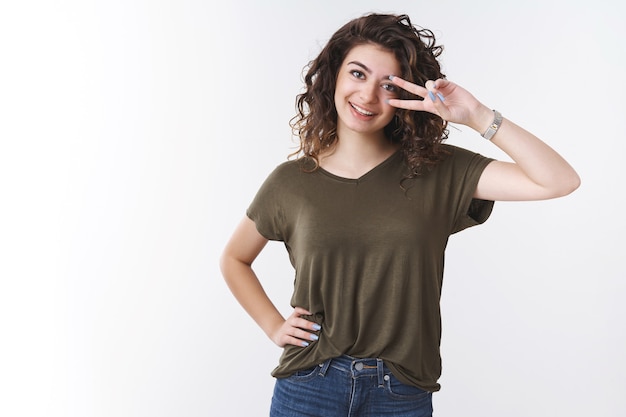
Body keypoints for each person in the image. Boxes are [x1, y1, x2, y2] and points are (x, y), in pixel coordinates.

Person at [219, 12, 580, 417]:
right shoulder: (290, 182)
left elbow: (558, 181)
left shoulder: (438, 172)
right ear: (334, 75)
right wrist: (273, 325)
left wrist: (478, 116)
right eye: (357, 74)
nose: (368, 95)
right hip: (309, 385)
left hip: (400, 393)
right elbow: (235, 259)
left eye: (387, 84)